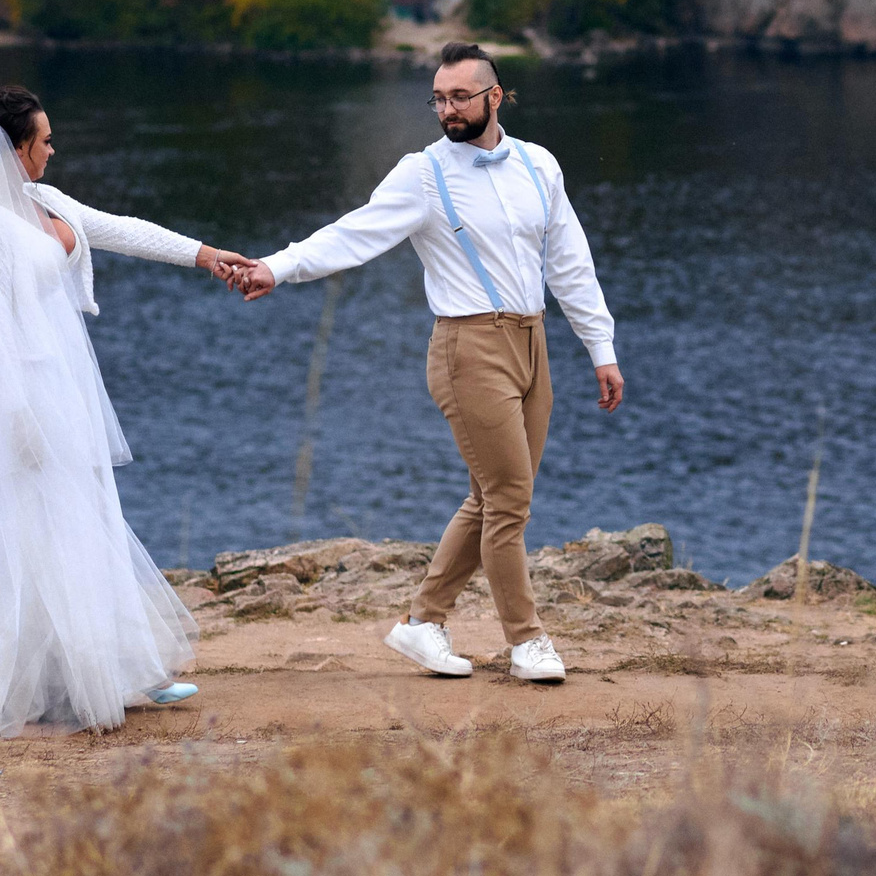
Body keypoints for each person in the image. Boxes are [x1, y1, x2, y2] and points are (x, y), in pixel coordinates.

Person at [232, 43, 624, 684]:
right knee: (510, 500)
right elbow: (352, 233)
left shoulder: (538, 165)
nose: (446, 109)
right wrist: (277, 268)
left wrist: (600, 348)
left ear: (495, 96)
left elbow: (570, 263)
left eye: (459, 97)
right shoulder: (424, 174)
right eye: (438, 99)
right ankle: (527, 642)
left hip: (534, 343)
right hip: (468, 350)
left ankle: (422, 623)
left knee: (491, 497)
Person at [0, 84, 253, 736]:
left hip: (67, 391)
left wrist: (203, 253)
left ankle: (115, 668)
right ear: (15, 147)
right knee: (41, 534)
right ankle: (59, 685)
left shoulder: (42, 200)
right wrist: (17, 417)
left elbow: (117, 229)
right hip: (21, 400)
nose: (54, 148)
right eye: (44, 140)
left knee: (89, 522)